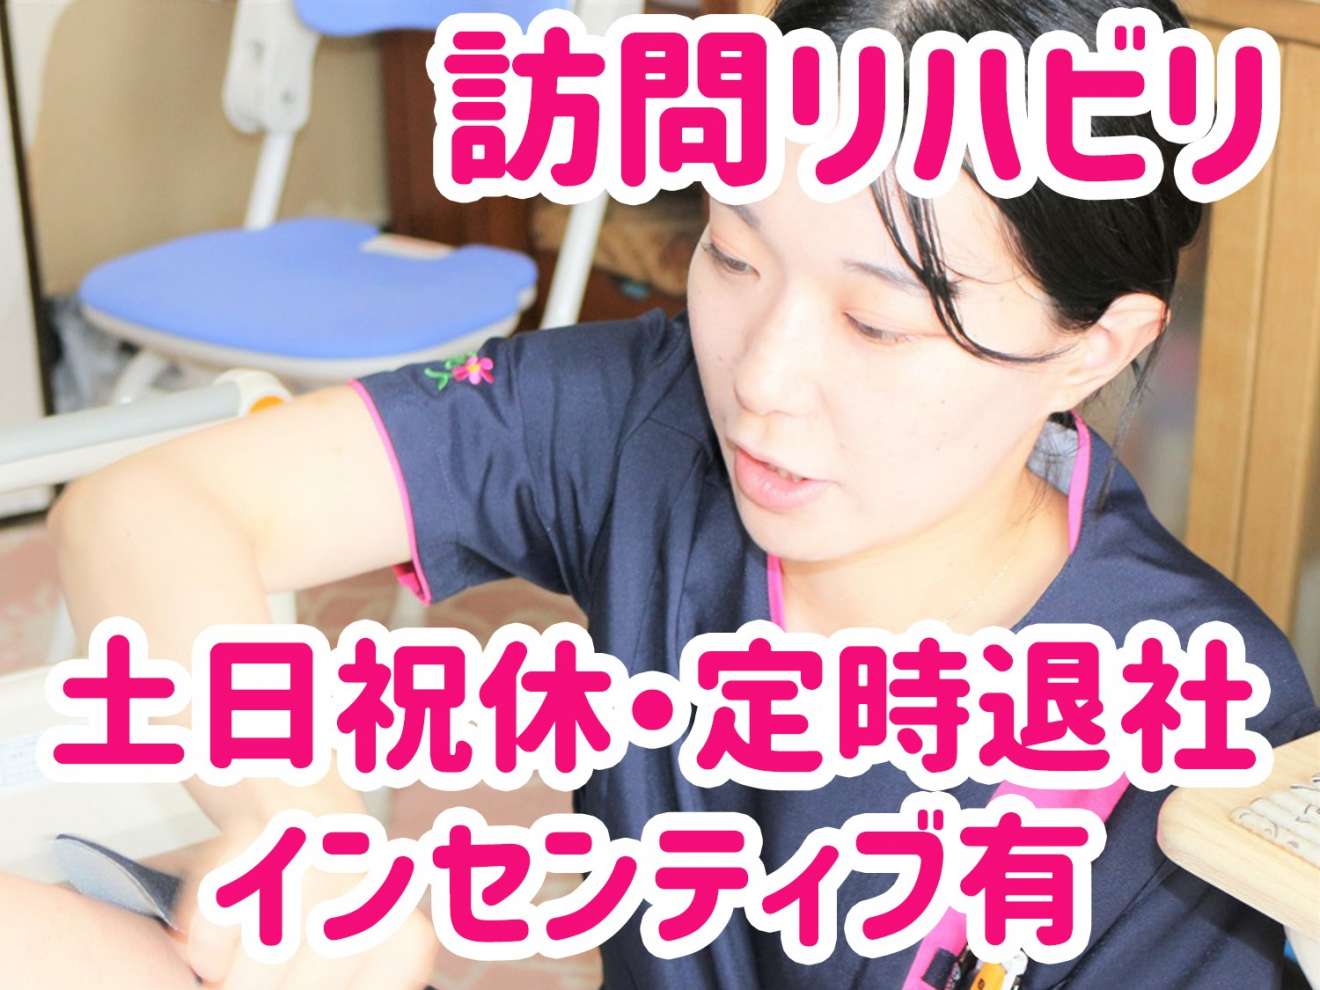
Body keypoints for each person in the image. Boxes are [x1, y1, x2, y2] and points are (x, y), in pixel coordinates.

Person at [4, 0, 1317, 986]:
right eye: (733, 256)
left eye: (876, 325)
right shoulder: (650, 411)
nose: (762, 381)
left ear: (1094, 349)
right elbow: (148, 509)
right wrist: (289, 817)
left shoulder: (1203, 734)